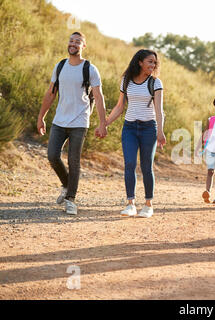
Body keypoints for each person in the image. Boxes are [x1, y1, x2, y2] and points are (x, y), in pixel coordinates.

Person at [37, 31, 107, 215]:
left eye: (78, 42)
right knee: (52, 155)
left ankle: (71, 199)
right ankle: (67, 185)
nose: (73, 44)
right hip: (59, 120)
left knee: (74, 160)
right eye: (71, 40)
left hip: (80, 121)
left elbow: (99, 97)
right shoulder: (60, 66)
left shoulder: (90, 69)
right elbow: (50, 93)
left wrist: (102, 123)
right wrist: (41, 117)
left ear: (83, 46)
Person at [105, 49, 166, 218]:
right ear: (140, 62)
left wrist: (160, 132)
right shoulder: (126, 81)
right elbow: (119, 107)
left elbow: (159, 110)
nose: (153, 65)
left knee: (147, 166)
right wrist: (105, 123)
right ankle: (130, 204)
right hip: (130, 128)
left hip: (149, 129)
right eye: (150, 62)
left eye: (155, 62)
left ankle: (148, 205)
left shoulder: (155, 83)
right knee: (130, 164)